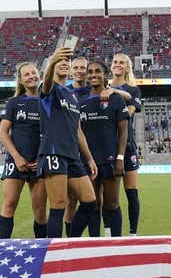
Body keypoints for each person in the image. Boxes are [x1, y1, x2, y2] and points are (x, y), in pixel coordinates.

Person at [38, 46, 97, 238]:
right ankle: (53, 251)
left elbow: (78, 130)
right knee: (58, 206)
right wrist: (52, 60)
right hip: (54, 152)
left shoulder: (72, 95)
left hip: (73, 156)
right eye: (59, 63)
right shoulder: (49, 89)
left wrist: (89, 159)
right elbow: (46, 82)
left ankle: (72, 240)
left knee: (89, 201)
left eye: (66, 63)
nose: (63, 64)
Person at [79, 60, 129, 237]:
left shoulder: (115, 99)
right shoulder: (81, 101)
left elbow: (123, 132)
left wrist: (120, 159)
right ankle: (94, 242)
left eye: (97, 71)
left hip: (110, 160)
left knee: (112, 204)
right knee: (93, 204)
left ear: (105, 74)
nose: (93, 74)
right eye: (90, 71)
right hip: (88, 162)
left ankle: (117, 243)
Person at [0, 62, 47, 239]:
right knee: (9, 204)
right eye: (26, 74)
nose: (31, 76)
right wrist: (17, 157)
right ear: (21, 80)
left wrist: (42, 158)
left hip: (39, 162)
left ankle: (41, 250)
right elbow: (3, 132)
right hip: (15, 161)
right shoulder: (14, 102)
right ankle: (2, 247)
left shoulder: (47, 101)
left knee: (40, 211)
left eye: (33, 72)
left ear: (39, 75)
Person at [110, 53, 143, 236]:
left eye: (122, 62)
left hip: (127, 144)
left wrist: (115, 93)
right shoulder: (101, 87)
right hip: (106, 145)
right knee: (108, 197)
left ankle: (132, 233)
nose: (118, 64)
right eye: (115, 62)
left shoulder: (134, 90)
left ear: (127, 67)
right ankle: (109, 234)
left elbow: (127, 114)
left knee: (132, 192)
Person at [64, 57, 91, 237]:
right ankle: (71, 240)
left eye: (83, 67)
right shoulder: (63, 92)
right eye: (77, 67)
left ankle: (93, 239)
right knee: (70, 201)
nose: (80, 70)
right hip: (71, 152)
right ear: (71, 71)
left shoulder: (96, 90)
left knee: (93, 201)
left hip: (93, 151)